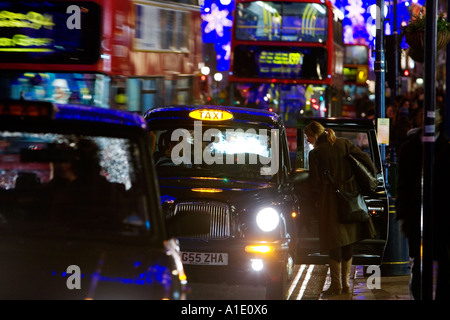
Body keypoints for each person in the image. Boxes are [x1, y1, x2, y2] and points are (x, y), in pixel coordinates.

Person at [304, 121, 377, 295]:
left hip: (330, 202)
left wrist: (307, 196)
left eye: (308, 136)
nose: (307, 140)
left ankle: (336, 285)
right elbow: (365, 158)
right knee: (347, 242)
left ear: (314, 135)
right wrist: (372, 176)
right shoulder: (344, 143)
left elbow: (314, 183)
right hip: (350, 198)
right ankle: (345, 285)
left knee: (334, 242)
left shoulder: (315, 154)